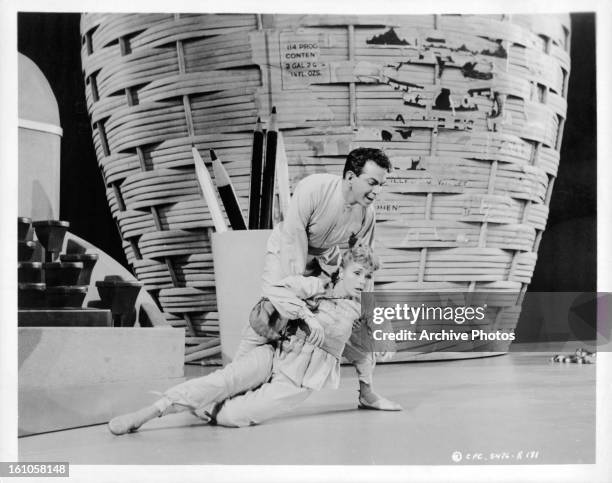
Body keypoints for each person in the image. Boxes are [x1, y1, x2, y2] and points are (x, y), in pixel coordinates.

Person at [108, 243, 390, 432]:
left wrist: (377, 363)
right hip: (276, 353)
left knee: (234, 417)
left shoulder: (364, 308)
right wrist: (307, 315)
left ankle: (198, 406)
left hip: (299, 380)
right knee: (223, 380)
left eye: (368, 276)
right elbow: (276, 288)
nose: (362, 281)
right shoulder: (316, 285)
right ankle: (148, 413)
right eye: (357, 273)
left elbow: (372, 347)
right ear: (342, 270)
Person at [237, 147, 401, 411]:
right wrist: (301, 297)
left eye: (381, 185)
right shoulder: (314, 189)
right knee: (270, 312)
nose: (376, 191)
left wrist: (374, 319)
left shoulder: (367, 215)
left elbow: (362, 263)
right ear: (350, 176)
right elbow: (293, 241)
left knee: (356, 319)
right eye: (372, 182)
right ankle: (234, 382)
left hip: (326, 259)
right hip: (288, 251)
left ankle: (367, 393)